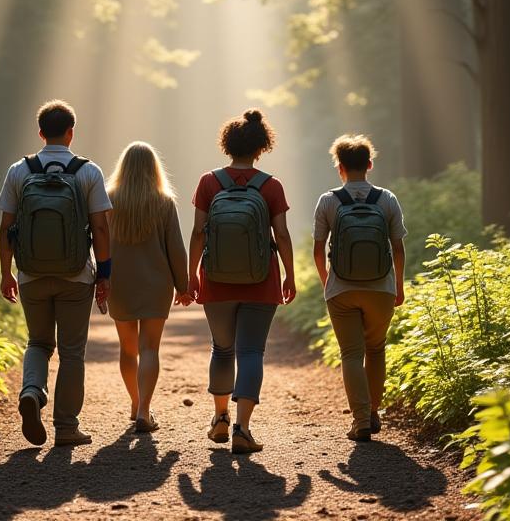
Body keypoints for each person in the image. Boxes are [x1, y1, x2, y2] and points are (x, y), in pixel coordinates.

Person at [0, 100, 112, 448]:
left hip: (30, 274)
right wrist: (104, 274)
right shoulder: (88, 172)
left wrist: (7, 273)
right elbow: (102, 229)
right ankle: (66, 427)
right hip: (77, 276)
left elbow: (5, 227)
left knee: (39, 342)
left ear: (41, 133)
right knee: (72, 351)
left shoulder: (20, 170)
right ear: (71, 132)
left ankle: (31, 390)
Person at [187, 109, 296, 455]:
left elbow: (198, 232)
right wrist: (289, 274)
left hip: (216, 281)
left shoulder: (208, 182)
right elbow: (281, 234)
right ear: (261, 147)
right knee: (251, 351)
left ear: (227, 144)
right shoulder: (271, 185)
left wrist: (190, 275)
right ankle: (242, 429)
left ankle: (219, 419)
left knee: (222, 349)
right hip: (260, 281)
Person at [312, 134, 407, 442]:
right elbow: (398, 248)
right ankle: (373, 412)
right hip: (381, 288)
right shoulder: (387, 199)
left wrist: (327, 280)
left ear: (339, 168)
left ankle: (361, 419)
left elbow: (317, 249)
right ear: (369, 165)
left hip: (342, 288)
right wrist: (399, 286)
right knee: (376, 349)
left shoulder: (328, 201)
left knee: (351, 353)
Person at [106, 142, 190, 434]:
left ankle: (135, 402)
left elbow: (99, 244)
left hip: (120, 283)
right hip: (156, 284)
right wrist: (184, 285)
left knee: (128, 350)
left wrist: (100, 280)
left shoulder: (109, 199)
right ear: (154, 168)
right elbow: (176, 249)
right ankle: (144, 410)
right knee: (150, 348)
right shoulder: (164, 202)